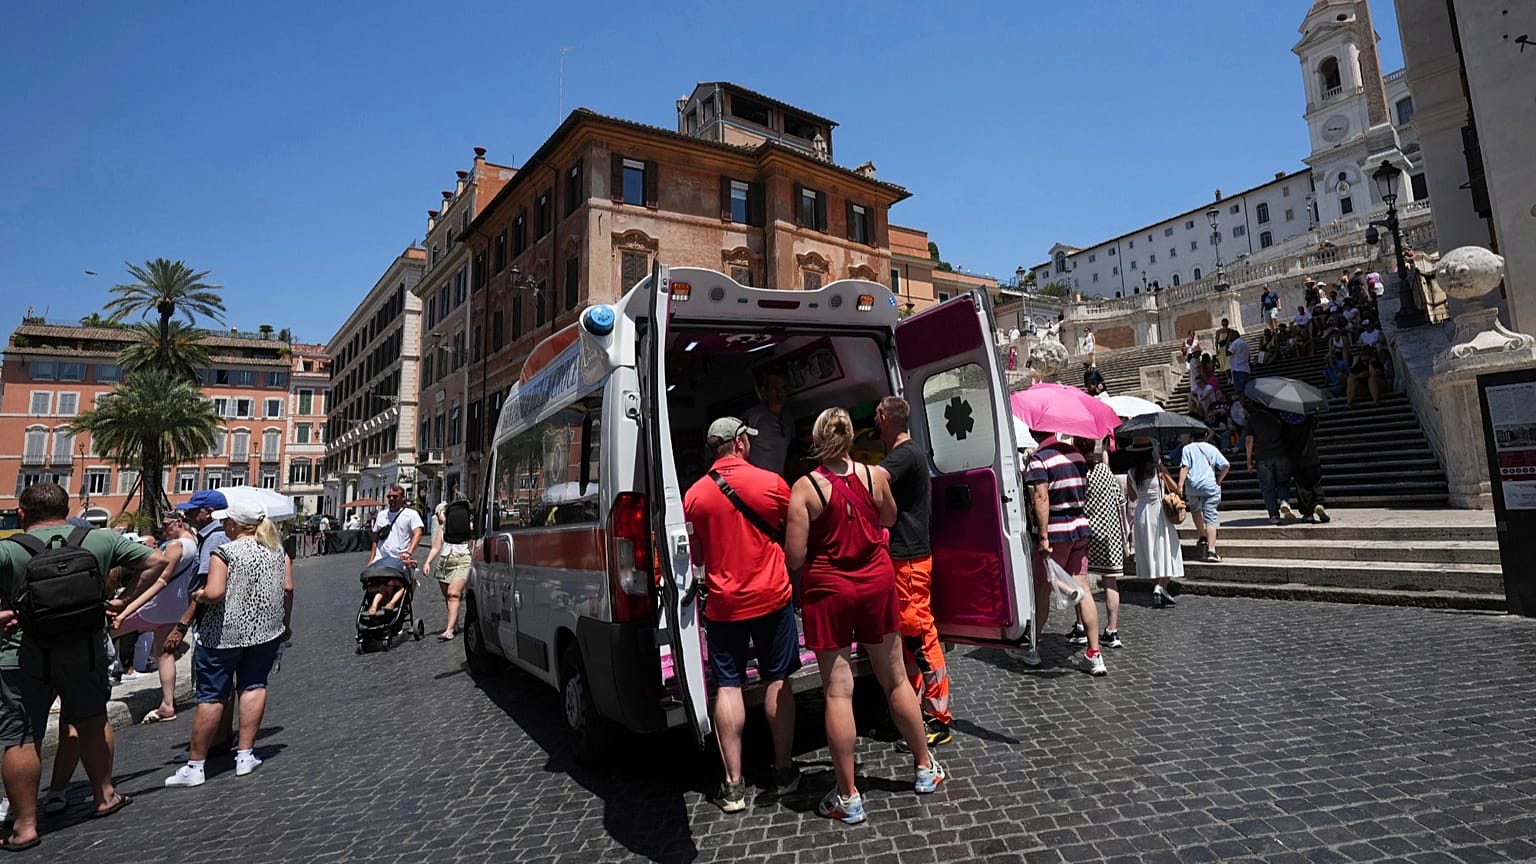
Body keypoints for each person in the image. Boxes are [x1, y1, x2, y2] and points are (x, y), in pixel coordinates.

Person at [784, 408, 945, 825]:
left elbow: (795, 557)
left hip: (829, 590)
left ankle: (849, 796)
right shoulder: (875, 476)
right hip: (875, 583)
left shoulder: (804, 489)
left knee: (838, 693)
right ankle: (925, 767)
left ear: (817, 441)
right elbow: (889, 517)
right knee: (894, 679)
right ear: (853, 437)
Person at [0, 483, 169, 851]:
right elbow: (158, 562)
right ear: (68, 508)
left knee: (21, 736)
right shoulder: (101, 540)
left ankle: (25, 826)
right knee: (92, 720)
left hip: (22, 654)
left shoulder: (8, 549)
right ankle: (105, 795)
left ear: (23, 514)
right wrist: (122, 601)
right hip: (85, 651)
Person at [683, 417, 800, 813]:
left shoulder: (695, 496)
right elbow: (794, 529)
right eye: (747, 439)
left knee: (728, 687)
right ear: (738, 444)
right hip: (772, 598)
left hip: (723, 605)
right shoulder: (773, 484)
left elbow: (695, 556)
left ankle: (732, 786)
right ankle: (783, 770)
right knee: (777, 679)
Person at [164, 497, 293, 788]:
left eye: (226, 521)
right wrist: (286, 623)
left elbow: (214, 592)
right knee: (254, 686)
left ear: (235, 524)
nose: (223, 524)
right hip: (265, 631)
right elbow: (288, 588)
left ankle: (195, 766)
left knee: (211, 696)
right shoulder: (277, 551)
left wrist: (198, 596)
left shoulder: (224, 552)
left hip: (224, 634)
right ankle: (245, 754)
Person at [875, 397, 951, 747]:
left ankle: (938, 718)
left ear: (884, 418)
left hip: (908, 559)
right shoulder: (911, 454)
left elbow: (875, 479)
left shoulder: (905, 455)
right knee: (908, 641)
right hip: (904, 556)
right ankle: (916, 713)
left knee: (920, 637)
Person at [1023, 433, 1106, 676]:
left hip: (1056, 530)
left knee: (1044, 587)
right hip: (1079, 526)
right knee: (1085, 589)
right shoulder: (1077, 455)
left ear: (1035, 431)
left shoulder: (1039, 459)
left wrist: (1044, 536)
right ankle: (1095, 653)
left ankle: (1032, 649)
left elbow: (1041, 497)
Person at [111, 515, 198, 724]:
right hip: (176, 607)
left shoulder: (176, 546)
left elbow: (159, 579)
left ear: (178, 522)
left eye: (167, 525)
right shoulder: (195, 544)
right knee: (164, 653)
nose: (163, 529)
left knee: (105, 633)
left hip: (154, 606)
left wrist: (126, 605)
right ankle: (168, 703)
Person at [1123, 438, 1184, 608]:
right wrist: (1162, 467)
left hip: (1142, 513)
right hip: (1159, 514)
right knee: (1167, 549)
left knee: (1148, 551)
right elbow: (1175, 488)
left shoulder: (1131, 472)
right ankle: (1161, 587)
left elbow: (1133, 497)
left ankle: (1158, 587)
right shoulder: (1157, 470)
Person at [1081, 439, 1127, 648]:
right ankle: (1112, 630)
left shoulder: (1083, 473)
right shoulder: (1105, 471)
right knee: (1110, 581)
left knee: (1080, 581)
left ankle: (1081, 626)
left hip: (1088, 533)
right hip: (1111, 533)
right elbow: (1120, 501)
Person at [421, 495, 473, 641]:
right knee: (448, 597)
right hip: (445, 562)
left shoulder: (466, 526)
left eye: (440, 514)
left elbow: (473, 542)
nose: (439, 517)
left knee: (453, 594)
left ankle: (449, 630)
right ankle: (454, 623)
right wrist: (427, 562)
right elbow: (436, 546)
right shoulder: (444, 528)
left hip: (462, 560)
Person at [1178, 430, 1230, 563]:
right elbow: (1226, 465)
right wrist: (1219, 479)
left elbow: (1185, 467)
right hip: (1209, 485)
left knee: (1195, 511)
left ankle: (1202, 535)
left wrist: (1180, 485)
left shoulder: (1187, 448)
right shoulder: (1211, 448)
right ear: (1206, 435)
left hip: (1193, 486)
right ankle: (1211, 551)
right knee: (1210, 517)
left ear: (1191, 436)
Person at [1246, 405, 1296, 525]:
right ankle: (1284, 501)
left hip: (1262, 457)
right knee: (1283, 482)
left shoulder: (1253, 419)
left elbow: (1249, 440)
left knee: (1267, 488)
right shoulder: (1278, 414)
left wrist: (1248, 460)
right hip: (1281, 453)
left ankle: (1274, 515)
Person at [1282, 412, 1329, 524]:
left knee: (1302, 486)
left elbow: (1284, 439)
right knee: (1315, 481)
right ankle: (1318, 502)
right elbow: (1314, 426)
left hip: (1296, 457)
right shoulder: (1307, 417)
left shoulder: (1285, 420)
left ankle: (1308, 513)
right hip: (1311, 455)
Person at [743, 371, 791, 475]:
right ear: (764, 390)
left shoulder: (788, 418)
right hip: (757, 480)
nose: (779, 392)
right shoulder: (752, 416)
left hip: (779, 480)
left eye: (783, 388)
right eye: (774, 388)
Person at [371, 485, 423, 566]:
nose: (391, 499)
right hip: (380, 559)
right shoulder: (381, 515)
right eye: (389, 496)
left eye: (395, 497)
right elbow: (376, 539)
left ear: (403, 498)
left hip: (400, 560)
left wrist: (409, 552)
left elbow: (418, 533)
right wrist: (371, 560)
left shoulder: (411, 514)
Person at [1227, 330, 1251, 399]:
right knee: (1246, 390)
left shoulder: (1235, 343)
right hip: (1246, 369)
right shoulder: (1245, 344)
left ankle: (1242, 403)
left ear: (1235, 335)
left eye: (1231, 335)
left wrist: (1228, 342)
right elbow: (1249, 357)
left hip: (1237, 369)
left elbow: (1227, 353)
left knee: (1239, 391)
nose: (1230, 337)